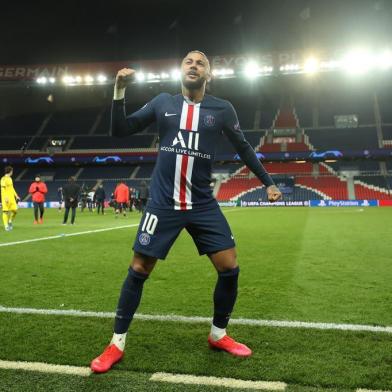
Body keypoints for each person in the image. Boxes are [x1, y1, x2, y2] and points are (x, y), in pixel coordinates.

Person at [90, 51, 282, 373]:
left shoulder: (222, 109)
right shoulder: (162, 103)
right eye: (188, 62)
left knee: (229, 267)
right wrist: (119, 90)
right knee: (139, 268)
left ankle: (218, 334)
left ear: (209, 75)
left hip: (202, 203)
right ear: (181, 71)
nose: (194, 66)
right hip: (163, 203)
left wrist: (267, 182)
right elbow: (120, 130)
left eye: (200, 63)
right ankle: (116, 343)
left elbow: (243, 147)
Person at [1, 166, 20, 231]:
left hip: (12, 198)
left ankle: (10, 221)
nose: (12, 172)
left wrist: (16, 195)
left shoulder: (10, 179)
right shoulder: (3, 179)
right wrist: (5, 197)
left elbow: (12, 188)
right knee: (5, 212)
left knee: (15, 211)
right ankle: (6, 226)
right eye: (12, 171)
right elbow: (3, 189)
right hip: (5, 198)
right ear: (10, 171)